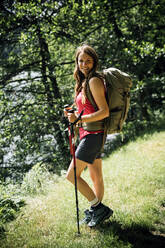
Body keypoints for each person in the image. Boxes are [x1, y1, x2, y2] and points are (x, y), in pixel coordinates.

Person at [65, 44, 113, 227]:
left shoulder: (94, 81)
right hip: (89, 133)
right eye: (81, 60)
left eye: (88, 61)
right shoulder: (84, 82)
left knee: (72, 176)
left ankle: (98, 208)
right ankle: (97, 213)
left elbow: (104, 111)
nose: (84, 64)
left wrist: (79, 118)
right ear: (76, 62)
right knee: (95, 176)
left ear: (94, 62)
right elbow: (85, 109)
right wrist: (73, 116)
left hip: (94, 134)